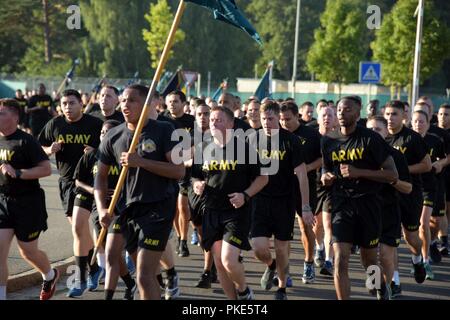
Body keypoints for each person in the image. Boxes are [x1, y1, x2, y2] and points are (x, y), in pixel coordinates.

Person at [95, 84, 184, 300]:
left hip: (158, 208)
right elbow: (101, 176)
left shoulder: (164, 130)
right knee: (120, 260)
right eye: (123, 100)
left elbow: (179, 171)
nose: (125, 104)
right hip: (125, 209)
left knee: (144, 276)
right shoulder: (113, 135)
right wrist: (101, 209)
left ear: (146, 105)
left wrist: (141, 162)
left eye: (132, 100)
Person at [321, 96, 398, 300]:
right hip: (341, 204)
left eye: (347, 110)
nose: (341, 113)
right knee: (340, 259)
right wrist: (325, 177)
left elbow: (392, 174)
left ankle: (379, 287)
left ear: (358, 113)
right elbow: (326, 170)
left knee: (369, 261)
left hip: (368, 204)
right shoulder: (328, 140)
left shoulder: (371, 139)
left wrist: (359, 172)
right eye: (339, 109)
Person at [191, 106, 268, 300]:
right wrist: (197, 184)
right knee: (219, 263)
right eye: (212, 120)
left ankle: (243, 290)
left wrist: (245, 195)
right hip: (211, 210)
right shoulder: (203, 148)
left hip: (236, 211)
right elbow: (194, 177)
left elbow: (262, 178)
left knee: (228, 260)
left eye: (219, 120)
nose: (214, 123)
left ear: (231, 124)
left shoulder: (243, 148)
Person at [38, 89, 104, 296]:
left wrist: (96, 151)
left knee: (79, 227)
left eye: (72, 103)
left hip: (89, 182)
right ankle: (94, 265)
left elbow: (110, 146)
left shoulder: (94, 124)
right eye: (64, 103)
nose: (67, 107)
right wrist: (50, 150)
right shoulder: (55, 124)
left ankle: (85, 274)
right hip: (66, 182)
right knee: (78, 229)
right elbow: (39, 145)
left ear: (81, 105)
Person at [249, 101, 314, 300]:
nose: (267, 123)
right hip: (259, 201)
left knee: (281, 247)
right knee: (259, 248)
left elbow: (302, 174)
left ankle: (282, 287)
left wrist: (305, 207)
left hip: (284, 201)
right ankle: (271, 265)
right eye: (263, 119)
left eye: (270, 118)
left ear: (278, 118)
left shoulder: (291, 140)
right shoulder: (252, 140)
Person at [0, 99, 58, 300]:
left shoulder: (26, 140)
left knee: (28, 252)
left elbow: (46, 169)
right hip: (3, 202)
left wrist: (17, 172)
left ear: (15, 117)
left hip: (28, 203)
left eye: (1, 113)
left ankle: (50, 275)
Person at [384, 100, 430, 293]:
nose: (389, 118)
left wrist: (401, 170)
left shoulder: (412, 138)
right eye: (387, 114)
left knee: (411, 236)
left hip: (410, 194)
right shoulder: (381, 138)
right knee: (389, 242)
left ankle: (417, 259)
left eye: (394, 114)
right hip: (387, 197)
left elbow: (427, 165)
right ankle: (394, 282)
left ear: (404, 116)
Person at [366, 115, 412, 299]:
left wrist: (392, 179)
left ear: (386, 133)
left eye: (378, 129)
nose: (373, 133)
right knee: (368, 256)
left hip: (389, 210)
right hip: (365, 210)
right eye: (370, 129)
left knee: (385, 255)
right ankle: (378, 284)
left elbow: (408, 188)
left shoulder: (396, 156)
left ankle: (386, 287)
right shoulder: (358, 153)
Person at [279, 101, 322, 284]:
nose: (284, 123)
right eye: (281, 119)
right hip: (283, 187)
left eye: (287, 119)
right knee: (283, 230)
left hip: (306, 186)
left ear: (298, 116)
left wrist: (306, 168)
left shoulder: (311, 134)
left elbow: (323, 159)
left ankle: (309, 262)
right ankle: (284, 271)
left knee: (305, 226)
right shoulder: (277, 135)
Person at [411, 110, 447, 279]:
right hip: (410, 187)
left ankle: (425, 261)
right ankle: (417, 258)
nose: (418, 124)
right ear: (411, 122)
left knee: (426, 223)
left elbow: (447, 157)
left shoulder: (435, 138)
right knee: (413, 229)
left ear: (428, 123)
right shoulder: (407, 139)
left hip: (430, 186)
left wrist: (440, 163)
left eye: (421, 121)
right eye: (415, 121)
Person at [166, 90, 195, 258]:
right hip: (168, 169)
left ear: (183, 104)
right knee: (174, 210)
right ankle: (179, 235)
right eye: (170, 101)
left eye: (176, 101)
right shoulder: (163, 121)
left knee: (183, 207)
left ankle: (184, 241)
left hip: (187, 170)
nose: (172, 104)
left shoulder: (192, 122)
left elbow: (197, 144)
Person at [437, 104, 450, 255]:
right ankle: (443, 240)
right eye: (440, 114)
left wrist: (442, 162)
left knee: (447, 209)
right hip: (436, 177)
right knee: (441, 210)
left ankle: (445, 237)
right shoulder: (433, 131)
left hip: (448, 174)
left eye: (446, 114)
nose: (442, 117)